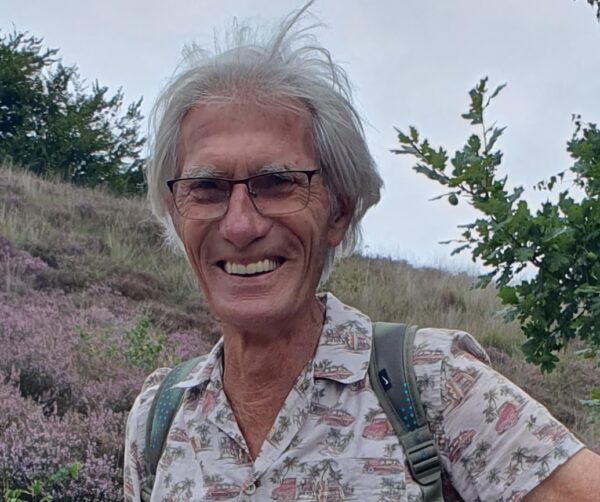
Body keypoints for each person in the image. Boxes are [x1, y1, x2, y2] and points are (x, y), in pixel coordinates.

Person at [124, 3, 600, 500]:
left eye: (278, 183)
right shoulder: (158, 419)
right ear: (176, 215)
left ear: (339, 212)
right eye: (206, 188)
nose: (241, 225)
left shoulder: (435, 385)